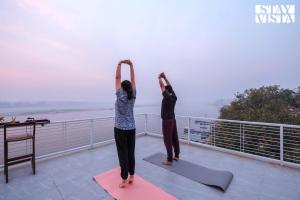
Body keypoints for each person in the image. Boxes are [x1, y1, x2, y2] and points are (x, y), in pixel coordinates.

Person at [114, 59, 136, 188]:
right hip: (131, 128)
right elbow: (133, 80)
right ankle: (132, 175)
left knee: (123, 154)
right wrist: (131, 65)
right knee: (130, 152)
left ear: (122, 87)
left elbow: (117, 77)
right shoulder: (133, 95)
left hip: (120, 129)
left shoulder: (119, 95)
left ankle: (124, 179)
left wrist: (119, 64)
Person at [158, 72, 180, 165]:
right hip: (173, 120)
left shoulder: (167, 97)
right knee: (175, 138)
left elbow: (162, 87)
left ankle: (169, 160)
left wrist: (159, 78)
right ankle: (177, 155)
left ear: (167, 91)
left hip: (167, 122)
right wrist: (165, 77)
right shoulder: (174, 97)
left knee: (168, 140)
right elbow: (169, 86)